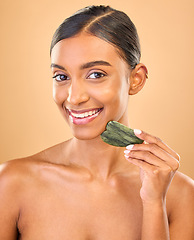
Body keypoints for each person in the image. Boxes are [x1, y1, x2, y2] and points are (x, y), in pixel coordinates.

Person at [0, 5, 193, 240]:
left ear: (136, 79)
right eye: (62, 77)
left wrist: (153, 203)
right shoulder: (11, 183)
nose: (74, 97)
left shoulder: (181, 195)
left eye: (96, 74)